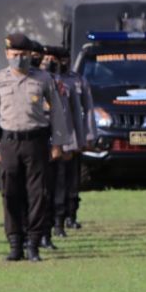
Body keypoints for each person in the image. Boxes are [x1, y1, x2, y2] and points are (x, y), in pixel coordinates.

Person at [0, 33, 71, 262]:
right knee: (10, 193)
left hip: (36, 143)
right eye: (14, 55)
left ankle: (33, 244)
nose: (19, 59)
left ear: (31, 55)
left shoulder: (43, 79)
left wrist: (58, 143)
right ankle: (15, 244)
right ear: (7, 55)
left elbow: (58, 114)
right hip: (9, 143)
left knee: (37, 195)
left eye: (23, 55)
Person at [40, 47, 79, 245]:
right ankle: (37, 232)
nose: (47, 61)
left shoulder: (59, 83)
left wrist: (69, 143)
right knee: (38, 190)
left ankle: (56, 225)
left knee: (58, 186)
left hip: (56, 142)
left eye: (51, 58)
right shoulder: (33, 82)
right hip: (35, 142)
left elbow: (65, 114)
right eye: (43, 58)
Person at [56, 45, 93, 229]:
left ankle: (71, 215)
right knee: (58, 181)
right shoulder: (46, 80)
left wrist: (88, 136)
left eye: (65, 59)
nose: (62, 63)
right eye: (58, 59)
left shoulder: (78, 80)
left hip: (73, 138)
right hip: (52, 140)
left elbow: (88, 110)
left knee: (72, 180)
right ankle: (57, 218)